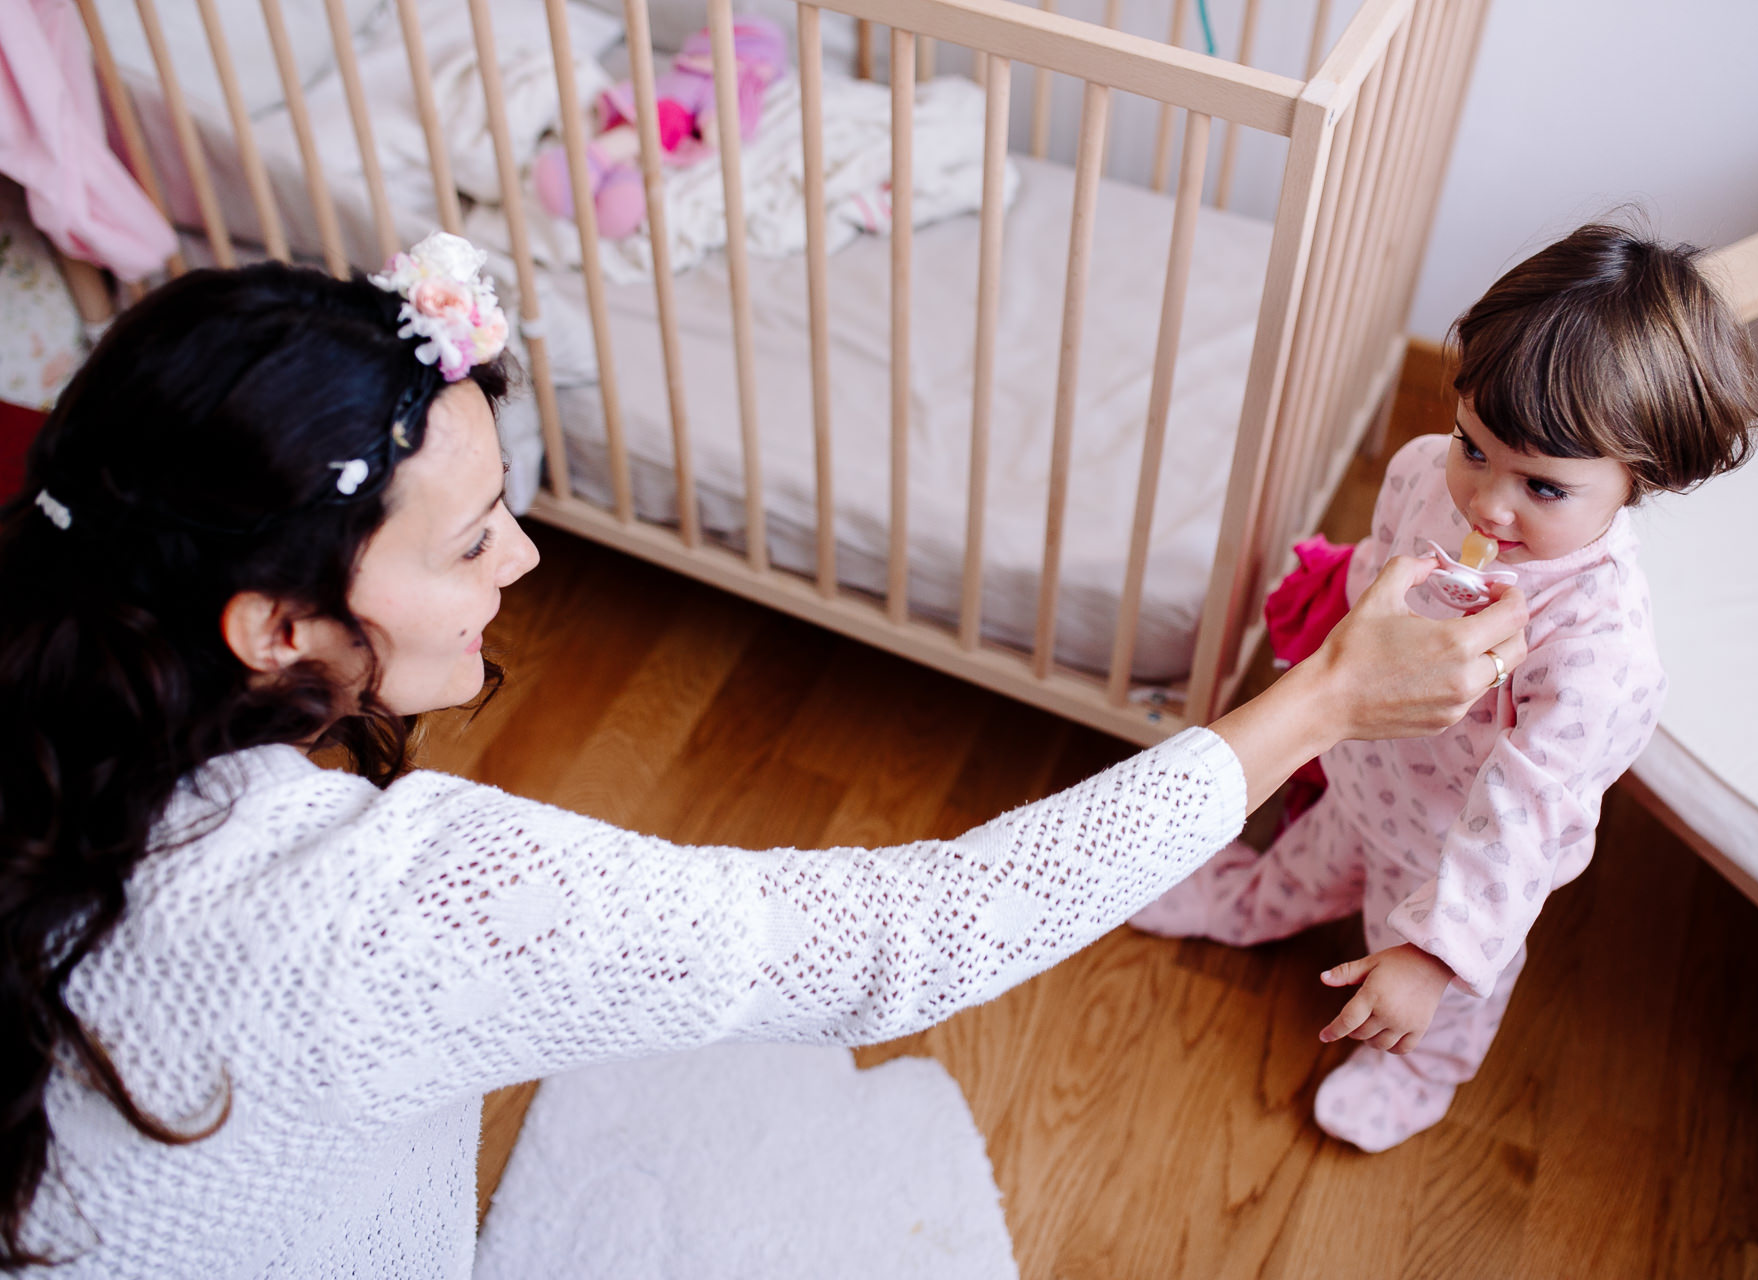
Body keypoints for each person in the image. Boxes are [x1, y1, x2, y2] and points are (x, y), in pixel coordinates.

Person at [0, 235, 1527, 1276]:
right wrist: (1318, 705)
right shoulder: (370, 908)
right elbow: (903, 937)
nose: (524, 563)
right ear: (273, 623)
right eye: (472, 542)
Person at [1132, 223, 1758, 1152]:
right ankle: (1253, 902)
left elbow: (1527, 814)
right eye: (1474, 447)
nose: (1488, 504)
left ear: (1637, 480)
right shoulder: (1418, 472)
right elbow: (1369, 587)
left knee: (1448, 982)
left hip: (1453, 854)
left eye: (1543, 488)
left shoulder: (1596, 648)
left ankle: (1421, 1063)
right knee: (1311, 863)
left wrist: (1435, 957)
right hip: (1360, 781)